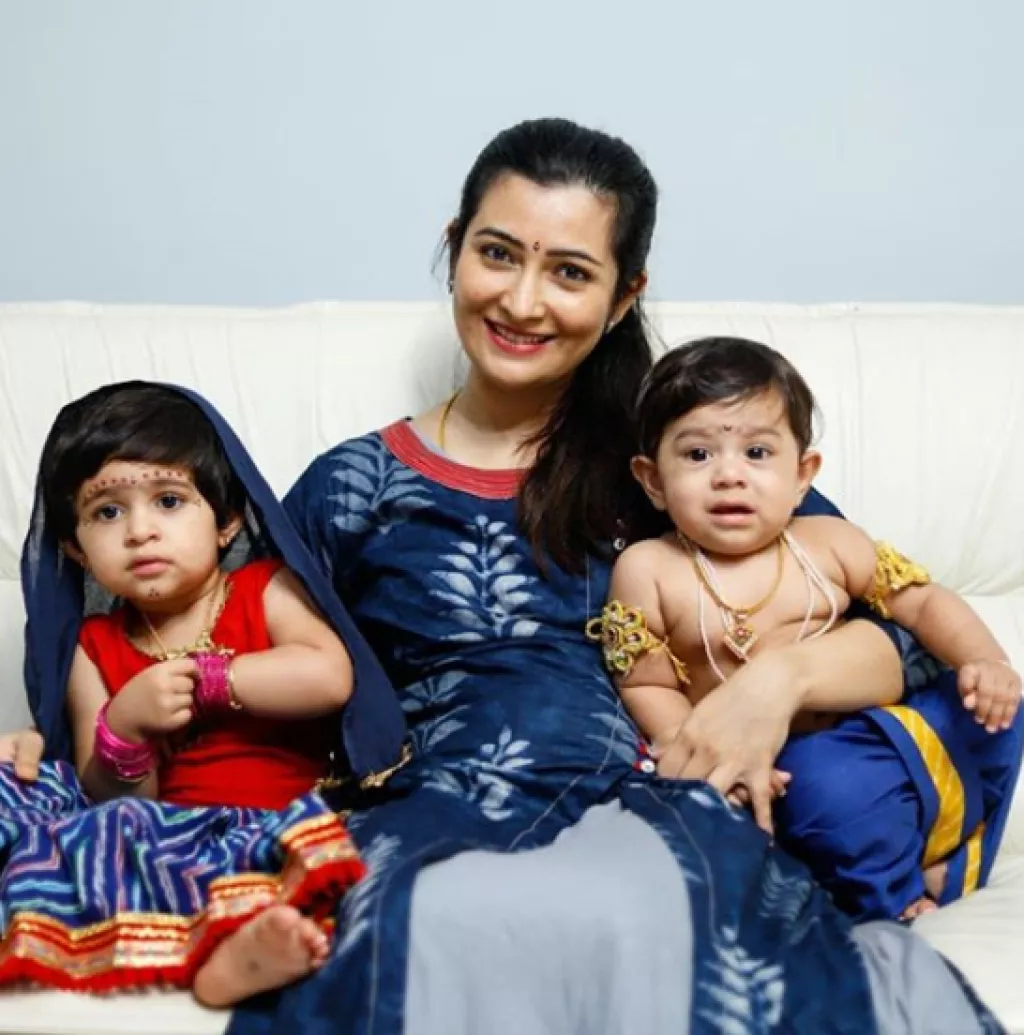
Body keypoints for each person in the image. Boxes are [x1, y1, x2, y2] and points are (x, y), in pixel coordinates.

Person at [0, 120, 1004, 1035]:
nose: (522, 301)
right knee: (431, 927)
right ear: (454, 250)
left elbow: (905, 628)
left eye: (569, 271)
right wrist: (60, 742)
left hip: (658, 791)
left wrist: (774, 681)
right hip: (428, 806)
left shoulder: (685, 460)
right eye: (497, 254)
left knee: (644, 916)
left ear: (624, 297)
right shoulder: (352, 486)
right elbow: (201, 633)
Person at [588, 336, 1024, 921]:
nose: (729, 475)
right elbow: (647, 683)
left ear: (802, 475)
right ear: (652, 481)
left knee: (988, 713)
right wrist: (696, 749)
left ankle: (933, 860)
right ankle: (894, 894)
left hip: (865, 739)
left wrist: (985, 660)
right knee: (782, 809)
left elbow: (921, 603)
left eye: (757, 453)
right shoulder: (649, 570)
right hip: (758, 765)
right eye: (697, 455)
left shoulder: (828, 543)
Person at [0, 382, 406, 1007]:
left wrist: (214, 678)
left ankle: (237, 950)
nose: (140, 531)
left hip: (269, 822)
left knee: (332, 853)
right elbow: (104, 794)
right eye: (107, 512)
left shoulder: (264, 589)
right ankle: (204, 945)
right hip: (161, 832)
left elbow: (328, 677)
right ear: (75, 548)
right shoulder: (93, 646)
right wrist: (125, 731)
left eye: (168, 501)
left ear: (226, 521)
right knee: (67, 810)